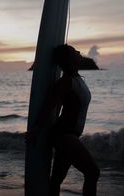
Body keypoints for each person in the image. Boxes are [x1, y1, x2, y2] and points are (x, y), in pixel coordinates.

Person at [25, 44, 100, 196]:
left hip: (69, 135)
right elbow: (49, 106)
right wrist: (36, 129)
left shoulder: (76, 78)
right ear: (68, 59)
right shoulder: (65, 82)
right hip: (64, 135)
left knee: (56, 181)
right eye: (74, 51)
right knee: (93, 172)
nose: (79, 51)